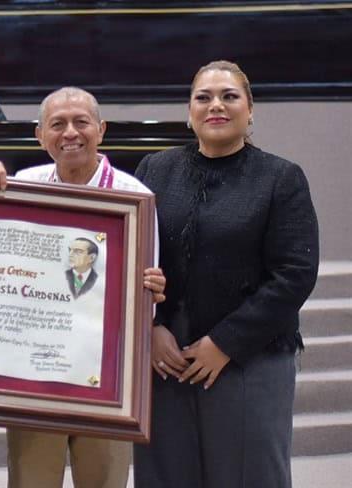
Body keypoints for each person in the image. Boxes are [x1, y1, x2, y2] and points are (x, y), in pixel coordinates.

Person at [131, 60, 319, 488]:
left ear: (250, 110)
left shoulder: (281, 178)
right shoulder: (155, 170)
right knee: (167, 476)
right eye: (204, 97)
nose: (216, 105)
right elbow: (136, 259)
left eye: (229, 96)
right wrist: (153, 327)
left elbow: (296, 274)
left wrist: (224, 344)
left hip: (251, 357)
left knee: (249, 476)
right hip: (167, 360)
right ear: (190, 110)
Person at [0, 86, 166, 488]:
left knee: (104, 481)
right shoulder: (21, 187)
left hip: (109, 376)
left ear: (102, 129)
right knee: (31, 481)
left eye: (81, 122)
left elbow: (144, 299)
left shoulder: (136, 197)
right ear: (40, 135)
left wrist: (151, 289)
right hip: (36, 371)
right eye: (57, 124)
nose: (70, 133)